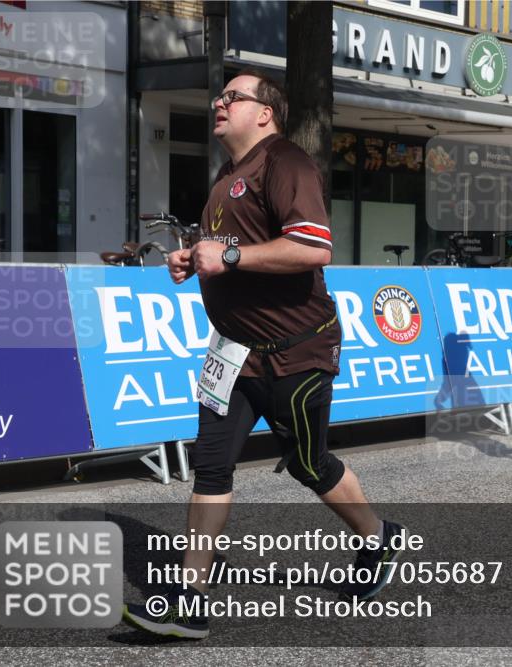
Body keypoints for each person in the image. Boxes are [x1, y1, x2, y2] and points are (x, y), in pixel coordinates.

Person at [123, 70, 403, 639]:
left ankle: (378, 536)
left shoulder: (286, 164)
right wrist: (192, 258)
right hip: (231, 353)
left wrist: (225, 258)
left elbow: (312, 246)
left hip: (295, 353)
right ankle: (190, 599)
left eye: (233, 97)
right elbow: (233, 247)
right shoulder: (226, 175)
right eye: (220, 96)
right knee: (211, 464)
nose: (218, 103)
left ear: (265, 113)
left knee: (308, 465)